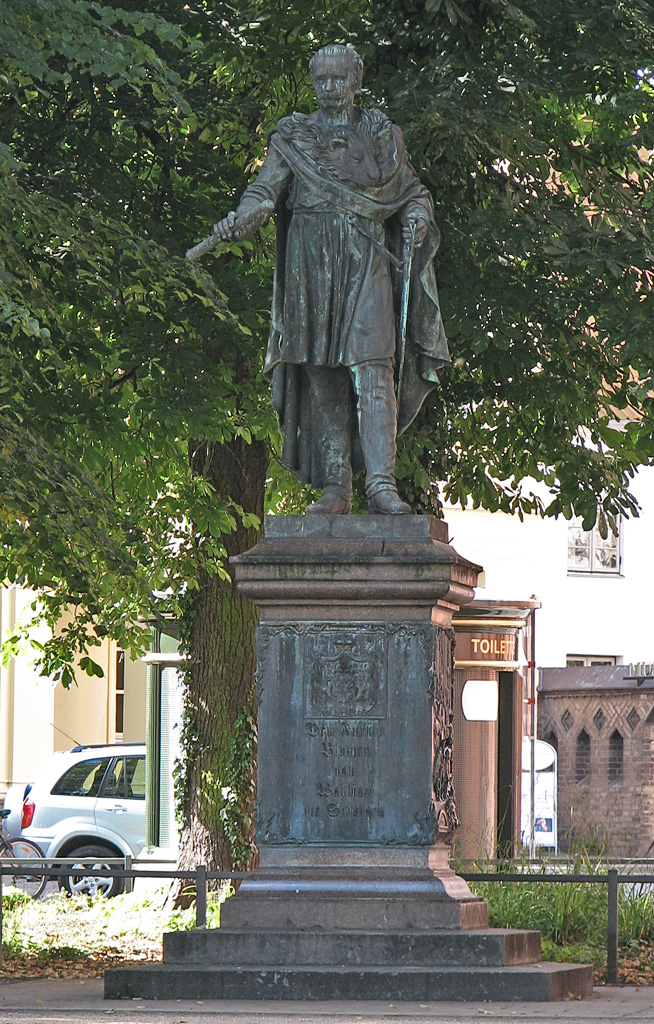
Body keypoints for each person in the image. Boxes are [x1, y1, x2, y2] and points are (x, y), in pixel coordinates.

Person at [213, 44, 449, 514]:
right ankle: (335, 485)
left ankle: (382, 484)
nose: (329, 89)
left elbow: (413, 192)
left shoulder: (381, 135)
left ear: (356, 79)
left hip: (366, 263)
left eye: (338, 79)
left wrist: (417, 218)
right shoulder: (293, 136)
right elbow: (265, 191)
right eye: (321, 80)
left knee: (373, 367)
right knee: (323, 373)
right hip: (311, 264)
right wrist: (243, 218)